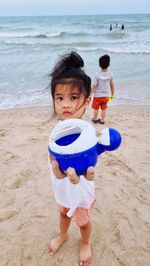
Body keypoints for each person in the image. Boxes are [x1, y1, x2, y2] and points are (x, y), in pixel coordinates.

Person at [48, 51, 95, 266]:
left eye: (73, 98)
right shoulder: (57, 132)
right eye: (60, 98)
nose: (65, 104)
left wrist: (85, 173)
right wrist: (58, 171)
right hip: (62, 189)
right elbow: (53, 164)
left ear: (87, 101)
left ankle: (85, 242)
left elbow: (91, 166)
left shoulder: (88, 133)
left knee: (83, 223)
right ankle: (63, 235)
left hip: (81, 190)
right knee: (64, 214)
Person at [91, 54, 115, 124]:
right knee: (104, 109)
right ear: (109, 64)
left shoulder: (97, 75)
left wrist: (90, 94)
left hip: (97, 96)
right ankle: (102, 120)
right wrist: (112, 95)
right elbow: (112, 85)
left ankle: (95, 119)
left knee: (96, 108)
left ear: (99, 65)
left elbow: (94, 86)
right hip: (106, 96)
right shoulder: (110, 74)